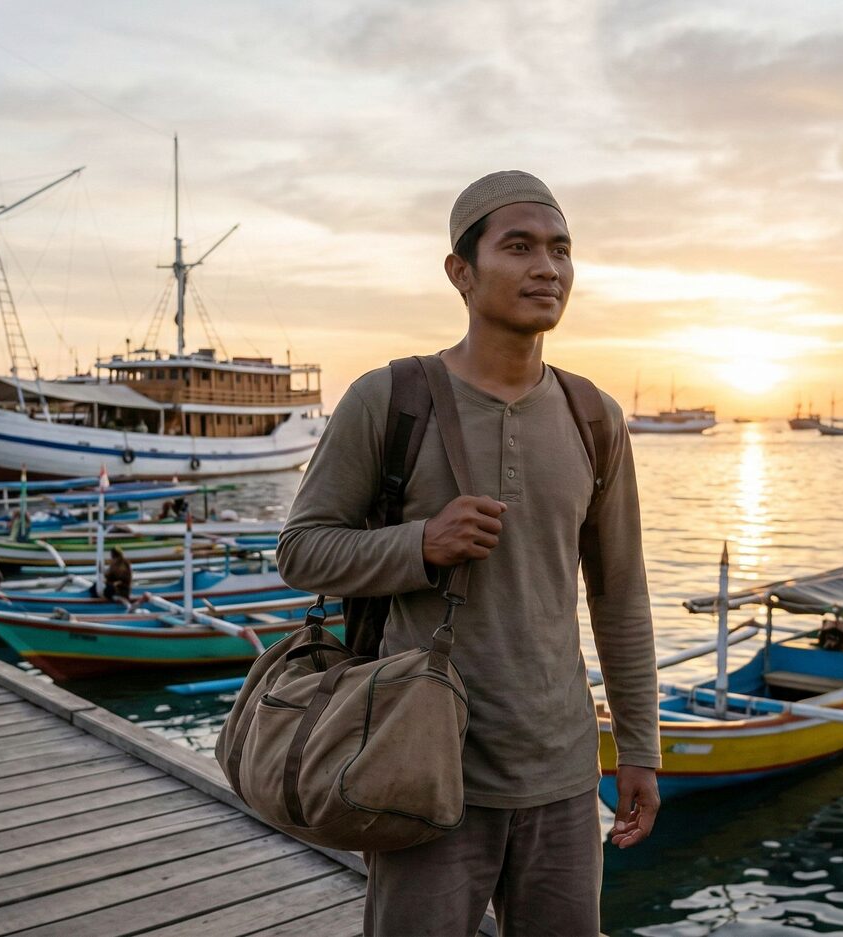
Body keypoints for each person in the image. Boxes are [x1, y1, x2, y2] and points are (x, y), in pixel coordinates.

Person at [277, 170, 660, 935]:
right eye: (517, 247)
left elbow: (619, 592)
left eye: (560, 250)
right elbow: (301, 551)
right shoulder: (390, 399)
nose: (546, 268)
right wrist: (421, 543)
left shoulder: (593, 416)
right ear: (461, 271)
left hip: (560, 767)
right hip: (419, 760)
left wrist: (641, 747)